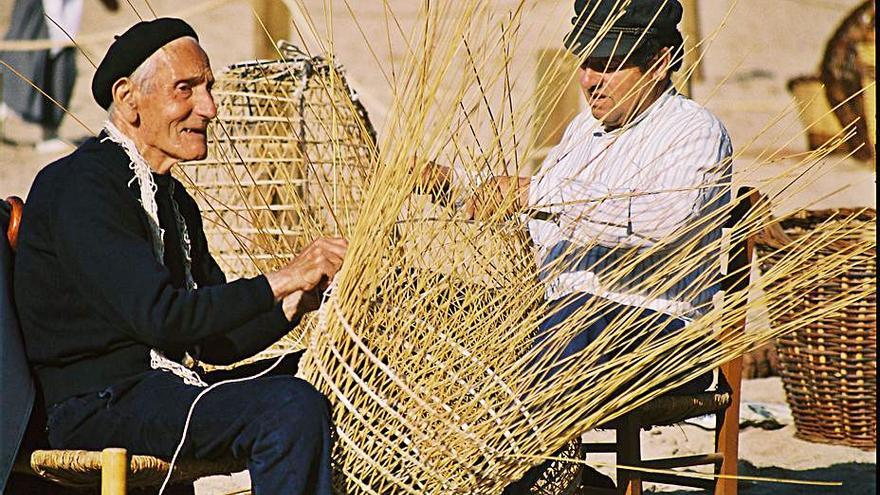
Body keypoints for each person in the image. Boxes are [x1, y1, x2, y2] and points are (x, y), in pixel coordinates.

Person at [13, 18, 345, 494]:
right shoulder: (80, 186)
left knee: (327, 371)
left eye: (208, 88)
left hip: (166, 390)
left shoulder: (175, 202)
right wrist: (287, 276)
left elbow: (213, 342)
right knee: (288, 407)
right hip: (98, 404)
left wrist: (299, 302)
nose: (208, 107)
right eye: (185, 89)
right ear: (129, 99)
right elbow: (162, 318)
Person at [424, 0, 733, 491]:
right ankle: (547, 477)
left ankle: (532, 480)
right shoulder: (581, 133)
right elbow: (544, 219)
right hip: (563, 324)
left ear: (661, 60)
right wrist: (460, 188)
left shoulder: (695, 132)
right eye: (586, 62)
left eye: (610, 64)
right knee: (439, 305)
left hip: (661, 333)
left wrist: (534, 194)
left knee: (569, 317)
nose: (591, 80)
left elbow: (665, 220)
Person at [0, 0, 117, 152]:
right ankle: (48, 135)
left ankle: (49, 134)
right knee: (33, 72)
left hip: (54, 22)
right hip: (47, 23)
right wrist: (61, 39)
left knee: (55, 76)